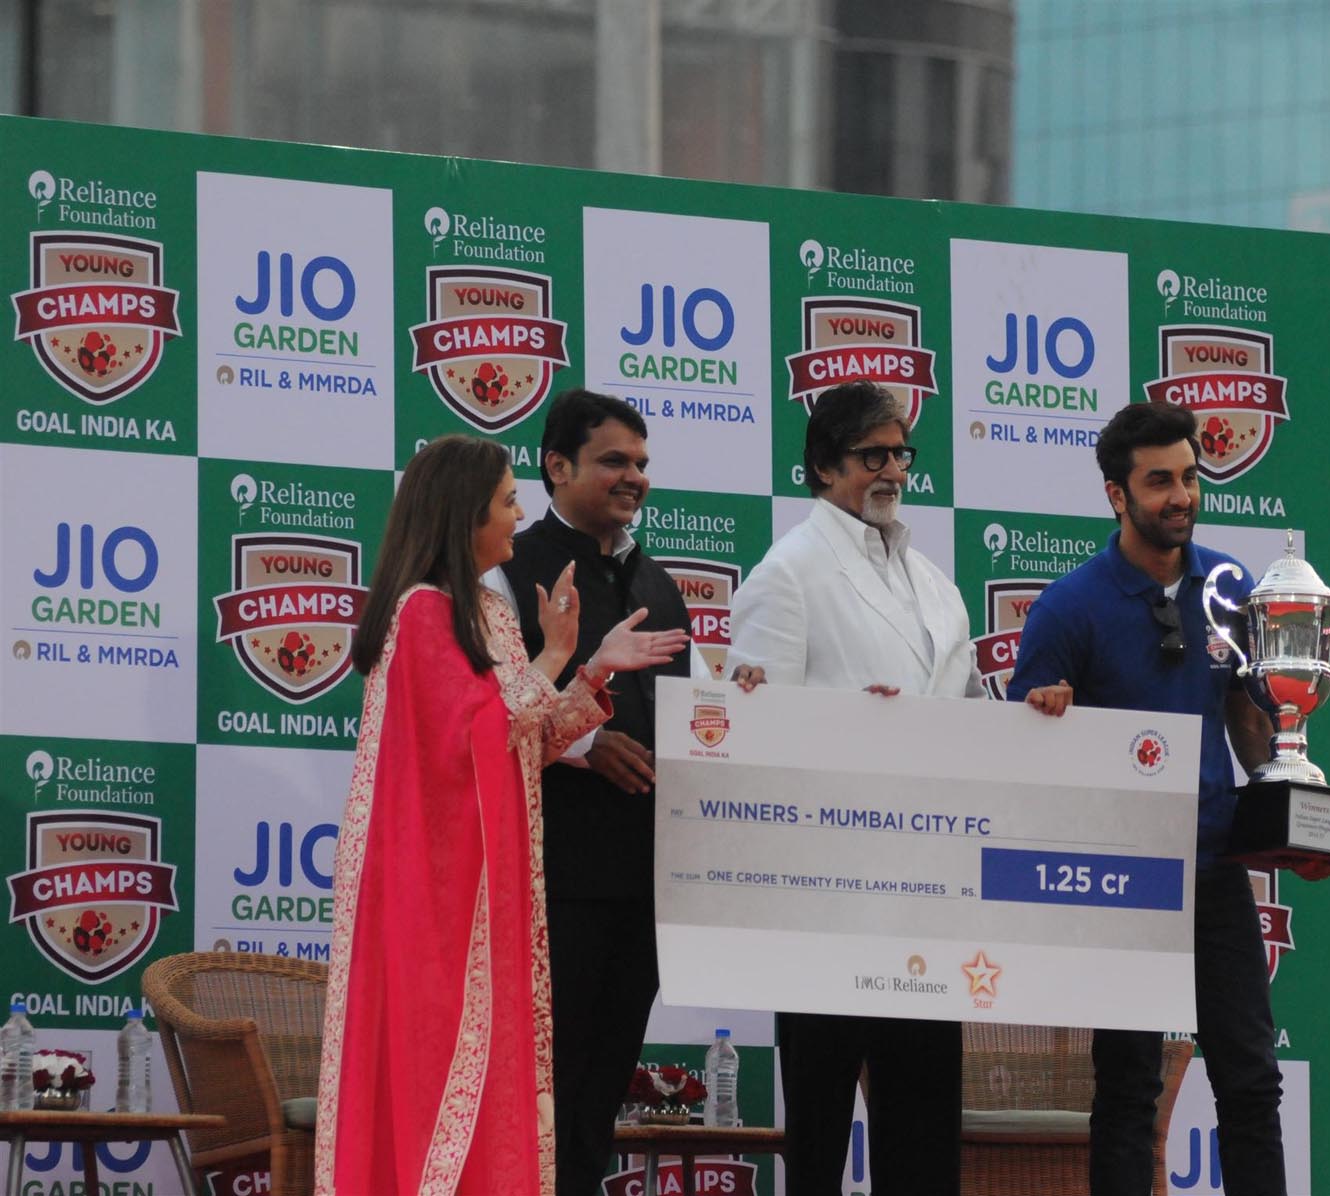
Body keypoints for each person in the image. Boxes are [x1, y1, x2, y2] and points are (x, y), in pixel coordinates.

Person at [314, 434, 687, 1196]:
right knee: (447, 1063)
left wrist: (592, 667)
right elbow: (475, 738)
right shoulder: (422, 611)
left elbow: (531, 739)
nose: (520, 517)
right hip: (442, 897)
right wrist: (552, 659)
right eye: (508, 503)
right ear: (464, 516)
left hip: (496, 888)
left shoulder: (482, 606)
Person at [1008, 401, 1330, 1196]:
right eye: (1160, 482)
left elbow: (1252, 717)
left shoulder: (1231, 588)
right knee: (1127, 1090)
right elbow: (1022, 751)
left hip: (1217, 867)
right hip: (1122, 880)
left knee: (1253, 1081)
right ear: (1117, 496)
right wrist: (1047, 714)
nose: (1181, 496)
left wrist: (1296, 818)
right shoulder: (1067, 606)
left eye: (1190, 477)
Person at [726, 379, 982, 1195]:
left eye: (900, 453)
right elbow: (751, 737)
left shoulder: (934, 582)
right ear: (822, 467)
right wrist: (848, 724)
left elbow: (969, 713)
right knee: (821, 1139)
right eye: (873, 454)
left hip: (930, 899)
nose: (892, 470)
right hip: (824, 900)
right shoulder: (787, 574)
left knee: (924, 1133)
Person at [490, 389, 697, 1196]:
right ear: (556, 465)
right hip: (549, 879)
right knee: (544, 1082)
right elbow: (492, 707)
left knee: (602, 1088)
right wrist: (581, 741)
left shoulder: (661, 583)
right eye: (615, 461)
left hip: (643, 883)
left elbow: (691, 713)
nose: (634, 477)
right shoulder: (507, 571)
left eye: (642, 463)